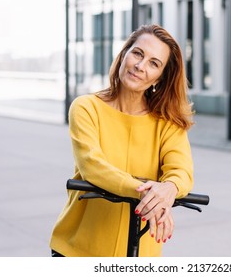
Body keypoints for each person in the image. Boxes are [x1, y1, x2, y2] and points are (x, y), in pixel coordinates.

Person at [49, 24, 194, 257]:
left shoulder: (168, 122)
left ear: (160, 77)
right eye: (138, 53)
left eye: (154, 63)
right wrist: (148, 193)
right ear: (124, 54)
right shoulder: (87, 107)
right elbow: (92, 166)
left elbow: (181, 172)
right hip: (79, 251)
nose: (140, 65)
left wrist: (168, 190)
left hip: (140, 253)